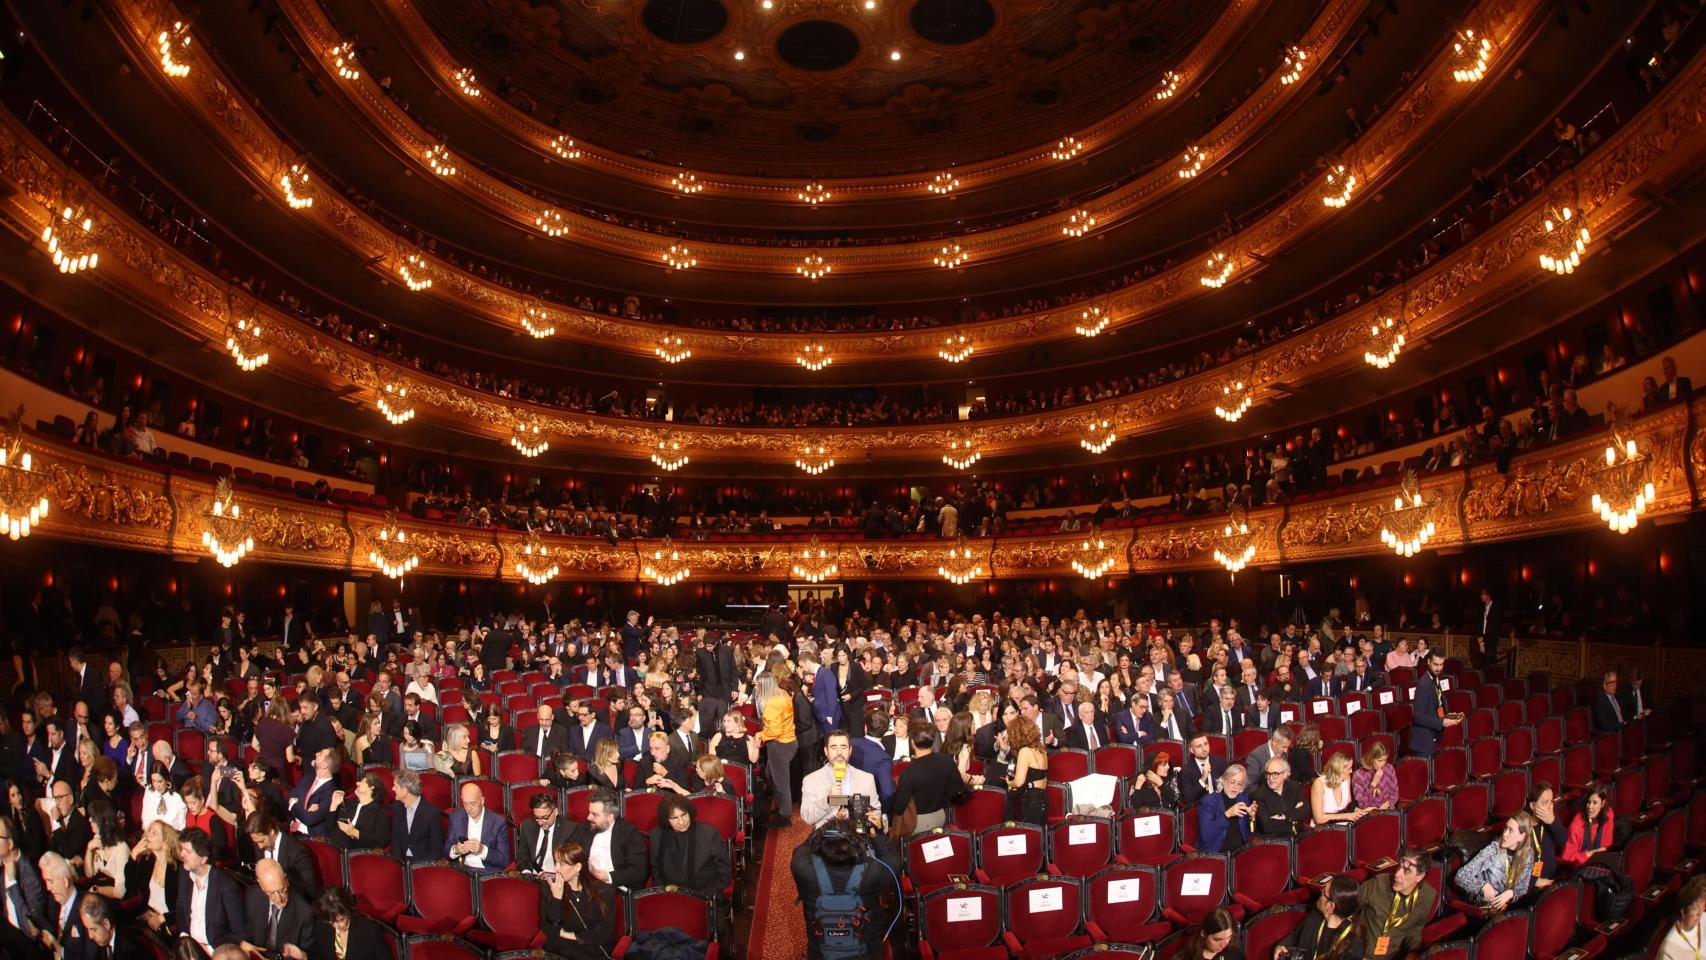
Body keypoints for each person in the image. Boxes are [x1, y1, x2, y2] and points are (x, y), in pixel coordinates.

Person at [789, 819, 902, 960]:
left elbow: (801, 850)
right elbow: (894, 861)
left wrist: (819, 831)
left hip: (820, 952)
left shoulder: (802, 868)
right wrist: (876, 834)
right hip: (866, 953)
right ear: (859, 847)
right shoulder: (873, 871)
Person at [541, 842, 618, 960]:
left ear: (578, 867)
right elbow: (549, 928)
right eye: (555, 863)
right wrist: (557, 898)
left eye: (561, 864)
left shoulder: (603, 891)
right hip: (561, 951)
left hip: (592, 952)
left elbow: (604, 933)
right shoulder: (551, 887)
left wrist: (570, 935)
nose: (556, 868)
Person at [1355, 849, 1435, 960]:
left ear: (1419, 876)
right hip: (1361, 955)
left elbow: (1415, 930)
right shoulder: (1377, 884)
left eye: (1406, 871)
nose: (1397, 874)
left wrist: (1413, 952)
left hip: (1392, 956)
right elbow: (1346, 908)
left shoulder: (1427, 896)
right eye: (1399, 867)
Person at [175, 827, 245, 953]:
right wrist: (185, 938)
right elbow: (181, 910)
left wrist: (210, 950)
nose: (182, 855)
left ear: (203, 858)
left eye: (188, 852)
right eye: (182, 849)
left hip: (215, 951)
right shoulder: (184, 873)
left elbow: (239, 933)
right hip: (190, 947)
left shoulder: (226, 886)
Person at [648, 795, 731, 899]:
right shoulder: (656, 835)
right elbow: (656, 870)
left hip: (705, 895)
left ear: (689, 812)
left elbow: (724, 871)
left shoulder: (710, 833)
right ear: (666, 819)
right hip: (668, 896)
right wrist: (664, 894)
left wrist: (708, 895)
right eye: (674, 818)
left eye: (683, 815)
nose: (681, 822)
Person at [565, 789, 648, 890]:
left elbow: (638, 870)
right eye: (589, 812)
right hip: (586, 886)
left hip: (617, 888)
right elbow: (567, 851)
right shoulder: (583, 828)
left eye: (595, 814)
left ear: (610, 817)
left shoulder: (629, 833)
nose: (588, 817)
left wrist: (608, 877)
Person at [1453, 813, 1535, 911]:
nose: (1504, 834)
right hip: (1485, 907)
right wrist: (1482, 886)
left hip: (1508, 908)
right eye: (1506, 828)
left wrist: (1511, 893)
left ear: (1522, 836)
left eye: (1511, 830)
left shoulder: (1527, 854)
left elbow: (1522, 888)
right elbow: (1460, 876)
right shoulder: (1494, 849)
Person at [800, 732, 882, 829]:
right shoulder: (811, 780)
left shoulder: (866, 779)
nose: (839, 752)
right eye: (834, 747)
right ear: (826, 751)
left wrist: (873, 824)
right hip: (826, 836)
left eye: (843, 747)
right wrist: (828, 800)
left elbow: (876, 811)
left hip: (858, 836)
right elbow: (807, 817)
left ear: (850, 750)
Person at [242, 858, 316, 960]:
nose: (279, 899)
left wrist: (303, 956)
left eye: (282, 890)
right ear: (261, 885)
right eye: (271, 893)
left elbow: (311, 955)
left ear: (286, 880)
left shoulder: (304, 913)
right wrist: (243, 943)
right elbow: (247, 932)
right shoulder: (252, 896)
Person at [1276, 875, 1361, 959]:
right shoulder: (1314, 916)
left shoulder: (1354, 942)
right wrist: (1282, 946)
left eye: (1323, 893)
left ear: (1331, 907)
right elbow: (1295, 935)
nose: (1320, 894)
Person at [891, 731, 958, 834]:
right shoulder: (947, 761)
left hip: (917, 822)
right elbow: (956, 789)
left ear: (912, 743)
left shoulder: (909, 772)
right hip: (941, 816)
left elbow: (899, 808)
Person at [0, 814, 48, 956]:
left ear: (10, 844)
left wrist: (13, 883)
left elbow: (32, 926)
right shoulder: (3, 866)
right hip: (9, 936)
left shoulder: (29, 873)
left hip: (27, 945)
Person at [757, 671, 798, 827]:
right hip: (788, 741)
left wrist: (760, 734)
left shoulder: (772, 704)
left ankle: (785, 816)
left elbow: (775, 730)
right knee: (770, 776)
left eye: (758, 685)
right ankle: (782, 806)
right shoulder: (783, 693)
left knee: (781, 783)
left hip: (780, 745)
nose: (756, 688)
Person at [446, 782, 511, 874]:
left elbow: (503, 860)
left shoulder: (498, 822)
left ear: (482, 800)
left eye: (473, 803)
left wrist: (482, 850)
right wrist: (456, 850)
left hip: (486, 872)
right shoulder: (456, 817)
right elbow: (446, 850)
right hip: (462, 870)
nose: (469, 808)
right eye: (465, 804)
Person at [308, 886, 385, 960]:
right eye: (331, 922)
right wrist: (305, 956)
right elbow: (320, 955)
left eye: (341, 920)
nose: (336, 926)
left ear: (348, 911)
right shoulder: (321, 924)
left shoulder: (370, 932)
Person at [1407, 652, 1459, 757]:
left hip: (1432, 736)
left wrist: (1445, 716)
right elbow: (1418, 717)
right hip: (1424, 742)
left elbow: (1436, 705)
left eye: (1441, 664)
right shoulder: (1424, 685)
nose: (1439, 668)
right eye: (1436, 664)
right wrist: (1441, 722)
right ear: (1429, 662)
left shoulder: (1435, 678)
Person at [388, 769, 444, 863]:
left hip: (423, 864)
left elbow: (436, 849)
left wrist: (418, 867)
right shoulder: (397, 808)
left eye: (396, 786)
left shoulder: (431, 813)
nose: (393, 789)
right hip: (402, 862)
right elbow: (395, 841)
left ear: (405, 790)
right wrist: (398, 864)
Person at [1197, 764, 1254, 854]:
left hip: (1240, 851)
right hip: (1216, 852)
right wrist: (1227, 815)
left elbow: (1249, 831)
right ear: (1223, 781)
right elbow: (1206, 835)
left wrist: (1252, 817)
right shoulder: (1209, 801)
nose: (1235, 787)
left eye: (1239, 784)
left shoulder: (1243, 798)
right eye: (1232, 782)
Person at [1005, 717, 1048, 825]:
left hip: (1030, 800)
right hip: (1042, 798)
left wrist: (1010, 783)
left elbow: (1019, 782)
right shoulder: (1042, 750)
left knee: (1028, 832)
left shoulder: (1025, 751)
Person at [1525, 783, 1568, 891]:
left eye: (1551, 801)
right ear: (1532, 806)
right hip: (1531, 887)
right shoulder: (1521, 826)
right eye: (1545, 803)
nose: (1549, 807)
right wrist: (1535, 881)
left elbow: (1564, 842)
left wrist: (1553, 822)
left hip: (1551, 880)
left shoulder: (1550, 821)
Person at [330, 773, 390, 850]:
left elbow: (381, 840)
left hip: (358, 852)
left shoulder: (379, 811)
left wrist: (355, 832)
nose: (357, 783)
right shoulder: (349, 804)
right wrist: (334, 804)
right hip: (336, 847)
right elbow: (330, 828)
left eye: (362, 781)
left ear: (371, 788)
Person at [1251, 757, 1307, 838]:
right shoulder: (1258, 795)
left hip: (1298, 835)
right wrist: (1294, 816)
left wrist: (1283, 816)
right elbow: (1267, 826)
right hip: (1275, 840)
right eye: (1268, 774)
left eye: (1275, 774)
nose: (1271, 778)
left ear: (1285, 774)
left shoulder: (1294, 787)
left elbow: (1305, 810)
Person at [1561, 783, 1615, 867]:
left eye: (1595, 803)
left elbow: (1607, 845)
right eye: (1589, 802)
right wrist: (1588, 854)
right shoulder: (1577, 824)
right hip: (1579, 866)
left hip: (1599, 861)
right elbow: (1567, 857)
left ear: (1602, 804)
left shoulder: (1608, 814)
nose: (1590, 807)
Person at [78, 894, 146, 960]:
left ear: (106, 925)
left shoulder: (130, 949)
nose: (90, 936)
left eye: (93, 929)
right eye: (87, 929)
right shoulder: (101, 943)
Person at [1311, 754, 1368, 827]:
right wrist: (1346, 816)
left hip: (1343, 824)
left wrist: (1358, 811)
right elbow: (1319, 819)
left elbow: (1348, 805)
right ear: (1338, 769)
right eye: (1348, 768)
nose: (1351, 771)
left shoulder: (1346, 778)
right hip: (1324, 827)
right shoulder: (1319, 784)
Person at [1658, 875, 1706, 960]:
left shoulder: (1703, 917)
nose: (1699, 914)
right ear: (1683, 912)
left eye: (1701, 906)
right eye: (1694, 909)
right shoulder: (1668, 948)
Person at [1181, 732, 1230, 808]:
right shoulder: (1186, 770)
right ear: (1191, 750)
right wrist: (1203, 779)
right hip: (1201, 807)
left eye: (1206, 744)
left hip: (1222, 804)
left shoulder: (1221, 762)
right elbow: (1188, 799)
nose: (1204, 749)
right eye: (1199, 746)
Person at [1350, 742, 1398, 810]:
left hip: (1388, 810)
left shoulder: (1389, 769)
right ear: (1371, 758)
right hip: (1369, 813)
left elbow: (1395, 793)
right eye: (1379, 761)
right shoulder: (1358, 776)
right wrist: (1373, 783)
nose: (1382, 764)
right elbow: (1362, 804)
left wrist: (1388, 803)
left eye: (1385, 760)